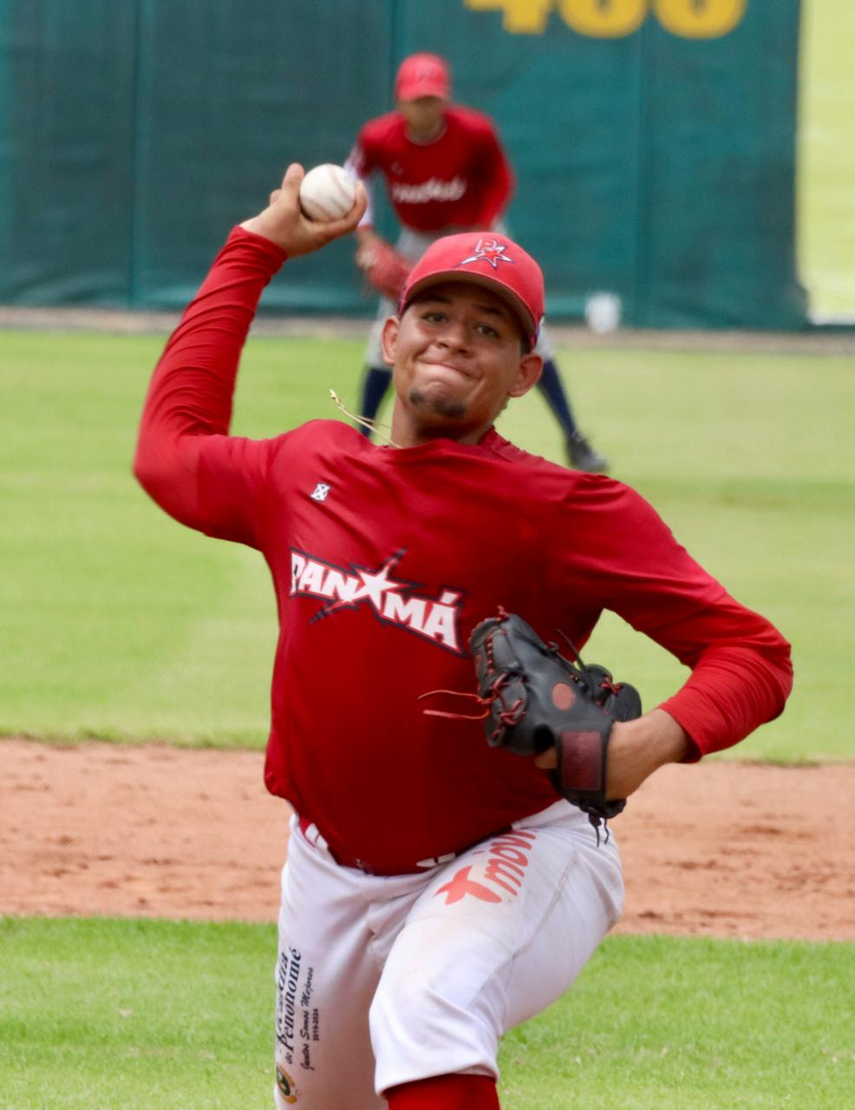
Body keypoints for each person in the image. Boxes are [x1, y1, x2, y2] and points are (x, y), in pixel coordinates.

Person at [134, 164, 792, 1110]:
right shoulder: (305, 467)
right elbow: (169, 449)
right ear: (393, 335)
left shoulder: (562, 508)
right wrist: (255, 248)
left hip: (514, 847)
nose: (455, 340)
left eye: (490, 331)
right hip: (328, 870)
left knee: (429, 1008)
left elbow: (752, 653)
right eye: (435, 315)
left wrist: (643, 747)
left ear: (525, 374)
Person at [345, 51, 609, 473]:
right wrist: (368, 241)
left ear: (445, 100)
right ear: (400, 101)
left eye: (432, 99)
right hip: (417, 241)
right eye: (417, 99)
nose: (425, 108)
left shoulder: (474, 132)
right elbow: (351, 179)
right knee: (387, 337)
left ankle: (574, 440)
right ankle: (358, 443)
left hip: (481, 234)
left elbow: (500, 179)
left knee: (532, 336)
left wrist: (484, 232)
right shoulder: (379, 138)